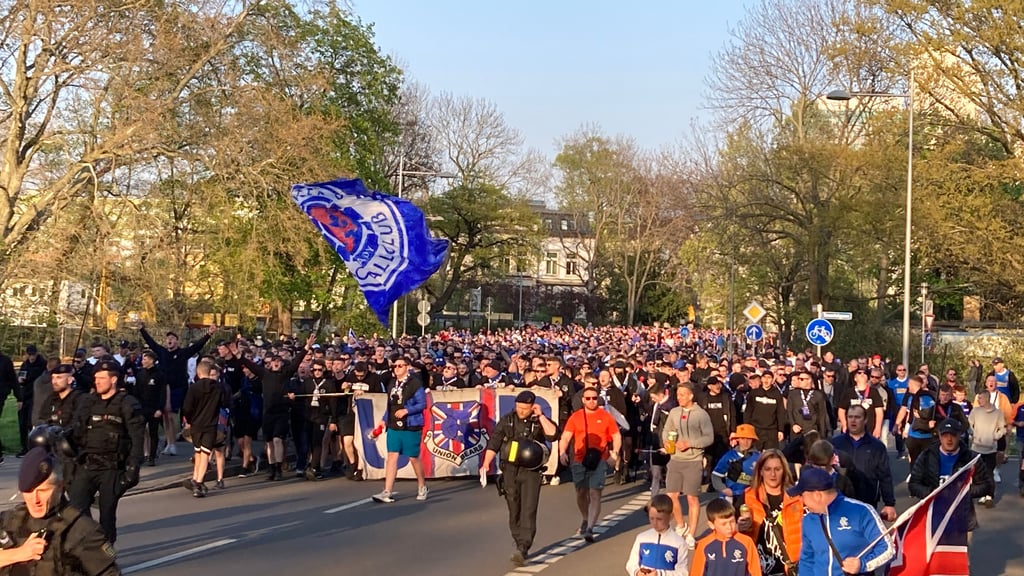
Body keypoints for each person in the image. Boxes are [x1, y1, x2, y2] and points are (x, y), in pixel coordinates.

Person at [0, 446, 120, 575]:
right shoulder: (8, 521)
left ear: (60, 487)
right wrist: (18, 554)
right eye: (28, 492)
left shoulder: (83, 531)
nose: (35, 500)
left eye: (43, 491)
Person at [68, 360, 145, 544]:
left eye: (102, 378)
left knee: (107, 514)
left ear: (113, 380)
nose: (97, 382)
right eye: (96, 378)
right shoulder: (88, 402)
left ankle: (106, 554)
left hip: (112, 467)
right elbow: (76, 431)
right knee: (76, 508)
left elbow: (137, 439)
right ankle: (89, 544)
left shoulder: (127, 403)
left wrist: (132, 470)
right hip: (87, 463)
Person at [481, 390, 557, 566]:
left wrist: (541, 416)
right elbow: (495, 441)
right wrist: (486, 463)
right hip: (510, 469)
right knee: (514, 508)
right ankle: (518, 541)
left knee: (529, 509)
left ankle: (523, 547)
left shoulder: (538, 420)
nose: (522, 411)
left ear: (532, 406)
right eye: (519, 407)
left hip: (531, 470)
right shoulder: (508, 420)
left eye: (525, 408)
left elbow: (553, 435)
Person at [791, 466, 894, 576]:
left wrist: (862, 565)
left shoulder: (861, 511)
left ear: (817, 495)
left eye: (802, 495)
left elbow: (888, 549)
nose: (801, 500)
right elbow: (807, 560)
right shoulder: (808, 521)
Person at [139, 323, 216, 456]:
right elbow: (151, 342)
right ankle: (168, 442)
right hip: (163, 388)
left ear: (177, 341)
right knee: (163, 416)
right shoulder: (162, 352)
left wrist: (209, 334)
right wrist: (142, 329)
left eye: (173, 338)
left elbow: (197, 346)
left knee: (170, 415)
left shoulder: (182, 353)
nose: (170, 340)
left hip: (177, 388)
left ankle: (172, 443)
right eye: (168, 338)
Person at [909, 418, 994, 538]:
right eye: (945, 435)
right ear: (939, 435)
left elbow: (986, 485)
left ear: (959, 435)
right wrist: (932, 494)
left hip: (962, 519)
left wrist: (964, 492)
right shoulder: (926, 456)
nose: (949, 439)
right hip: (933, 517)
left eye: (953, 435)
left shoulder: (971, 459)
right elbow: (913, 485)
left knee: (960, 556)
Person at [558, 386, 622, 543]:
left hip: (599, 459)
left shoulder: (605, 416)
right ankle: (585, 518)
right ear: (583, 400)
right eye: (588, 398)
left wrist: (615, 452)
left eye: (594, 398)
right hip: (579, 459)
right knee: (581, 492)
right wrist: (562, 452)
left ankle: (590, 528)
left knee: (595, 493)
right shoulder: (576, 417)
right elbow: (566, 437)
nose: (592, 401)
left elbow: (616, 435)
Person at [662, 382, 714, 549]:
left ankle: (691, 534)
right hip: (675, 458)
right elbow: (666, 430)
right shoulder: (674, 412)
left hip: (693, 460)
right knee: (672, 495)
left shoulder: (701, 414)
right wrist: (667, 441)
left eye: (683, 394)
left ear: (691, 395)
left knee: (692, 497)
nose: (679, 398)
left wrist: (690, 444)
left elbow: (708, 438)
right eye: (678, 395)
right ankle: (680, 524)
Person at [371, 356, 428, 503]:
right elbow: (391, 405)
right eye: (395, 366)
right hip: (394, 424)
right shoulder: (392, 384)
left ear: (407, 367)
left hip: (410, 424)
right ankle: (387, 490)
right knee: (392, 457)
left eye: (400, 366)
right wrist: (384, 419)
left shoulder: (415, 383)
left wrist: (407, 410)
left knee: (413, 457)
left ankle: (422, 485)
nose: (397, 368)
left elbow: (422, 404)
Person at [738, 450, 802, 576]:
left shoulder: (797, 498)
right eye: (767, 469)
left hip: (790, 568)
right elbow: (728, 530)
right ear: (760, 471)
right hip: (758, 568)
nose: (773, 474)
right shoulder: (748, 497)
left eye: (777, 469)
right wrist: (738, 527)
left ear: (784, 470)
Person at [830, 404, 897, 521]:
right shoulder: (835, 444)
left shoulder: (877, 446)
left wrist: (889, 503)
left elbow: (884, 475)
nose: (853, 420)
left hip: (867, 501)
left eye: (857, 417)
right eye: (850, 417)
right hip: (840, 501)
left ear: (865, 420)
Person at [181, 358, 229, 496]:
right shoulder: (218, 388)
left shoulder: (193, 388)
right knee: (206, 453)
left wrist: (189, 420)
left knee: (198, 452)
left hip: (196, 425)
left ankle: (196, 479)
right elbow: (224, 403)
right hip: (211, 424)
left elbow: (187, 407)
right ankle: (198, 482)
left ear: (198, 372)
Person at [690, 497, 762, 576]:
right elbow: (696, 573)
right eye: (724, 524)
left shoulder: (746, 542)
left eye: (732, 521)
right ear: (711, 525)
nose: (729, 527)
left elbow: (755, 571)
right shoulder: (703, 545)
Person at [625, 494, 690, 576]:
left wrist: (660, 574)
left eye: (659, 519)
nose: (655, 523)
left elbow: (683, 573)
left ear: (671, 517)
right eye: (651, 518)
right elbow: (631, 563)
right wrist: (637, 572)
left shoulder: (678, 542)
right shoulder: (642, 538)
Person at [968, 392, 1006, 507]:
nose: (979, 400)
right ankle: (981, 494)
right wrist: (974, 434)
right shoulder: (975, 411)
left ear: (988, 398)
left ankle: (989, 496)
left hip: (990, 449)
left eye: (981, 398)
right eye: (978, 398)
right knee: (977, 474)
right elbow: (969, 424)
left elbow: (1002, 428)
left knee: (989, 473)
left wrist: (995, 436)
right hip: (976, 447)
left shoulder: (998, 413)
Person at [711, 424, 760, 503]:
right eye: (742, 438)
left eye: (749, 439)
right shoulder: (728, 456)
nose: (745, 442)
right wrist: (724, 489)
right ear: (737, 439)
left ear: (753, 440)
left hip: (750, 497)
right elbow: (715, 476)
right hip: (730, 496)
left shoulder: (759, 458)